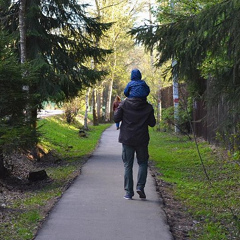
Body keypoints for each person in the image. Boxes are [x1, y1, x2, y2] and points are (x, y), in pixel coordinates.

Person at [114, 71, 156, 200]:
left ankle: (128, 192)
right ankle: (140, 187)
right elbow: (152, 123)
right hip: (142, 139)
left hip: (127, 139)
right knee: (143, 163)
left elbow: (116, 118)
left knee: (128, 165)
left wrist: (120, 110)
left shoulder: (124, 104)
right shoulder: (148, 107)